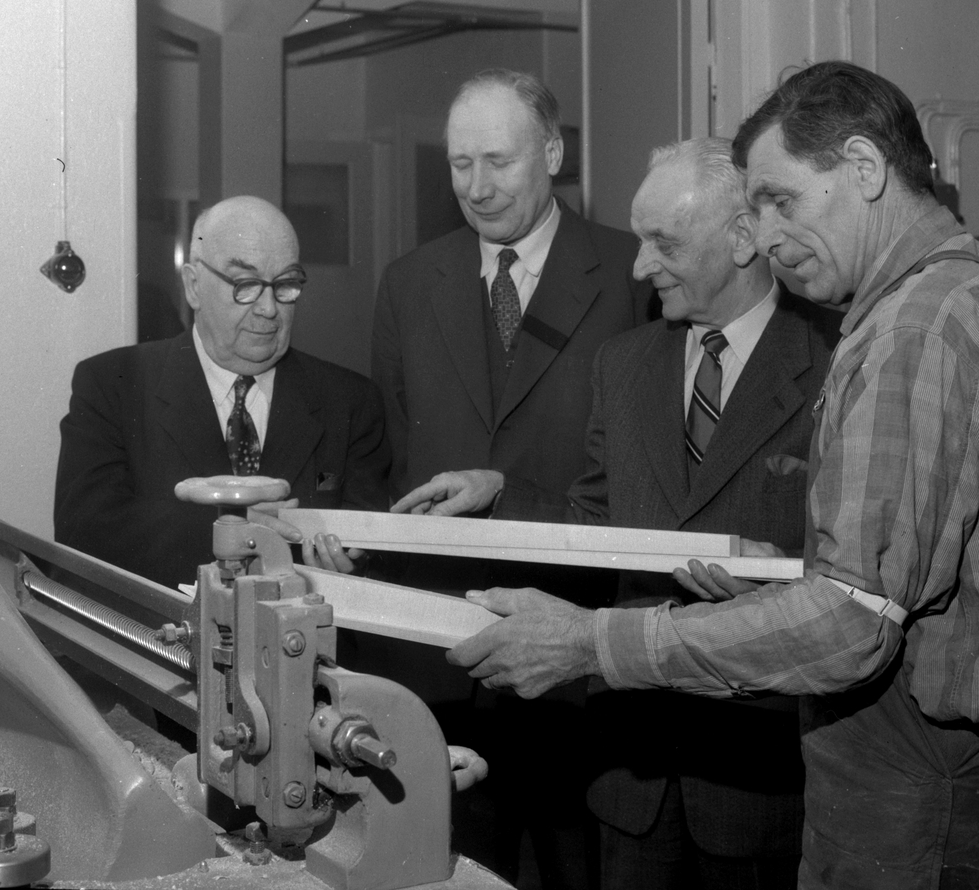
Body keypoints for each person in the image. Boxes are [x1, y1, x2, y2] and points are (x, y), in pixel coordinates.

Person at [448, 62, 979, 890]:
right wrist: (786, 580)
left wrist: (590, 641)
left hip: (895, 788)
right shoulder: (929, 302)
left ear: (864, 168)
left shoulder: (911, 326)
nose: (764, 236)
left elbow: (851, 622)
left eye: (780, 200)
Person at [374, 69, 649, 889]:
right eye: (460, 164)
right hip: (443, 660)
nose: (476, 187)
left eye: (498, 161)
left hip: (579, 659)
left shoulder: (633, 273)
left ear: (553, 154)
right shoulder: (407, 283)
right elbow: (391, 457)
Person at [567, 138, 841, 889]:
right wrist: (496, 499)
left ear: (744, 237)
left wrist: (781, 584)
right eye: (639, 240)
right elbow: (594, 520)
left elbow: (857, 577)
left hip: (760, 782)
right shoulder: (622, 365)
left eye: (664, 242)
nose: (638, 266)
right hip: (633, 775)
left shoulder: (835, 359)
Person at [54, 195, 390, 589]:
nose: (269, 308)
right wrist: (231, 534)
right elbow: (84, 533)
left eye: (285, 284)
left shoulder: (350, 402)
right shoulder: (112, 384)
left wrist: (353, 565)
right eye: (245, 284)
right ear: (193, 286)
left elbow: (374, 553)